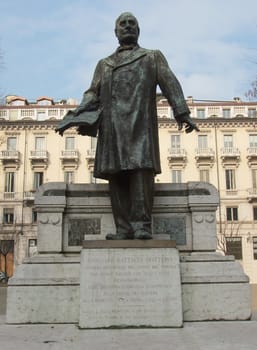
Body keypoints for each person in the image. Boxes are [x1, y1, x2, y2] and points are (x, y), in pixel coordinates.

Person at [64, 12, 199, 240]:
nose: (127, 27)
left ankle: (142, 226)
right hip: (112, 127)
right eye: (122, 24)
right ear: (115, 32)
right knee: (116, 176)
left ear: (138, 30)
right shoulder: (104, 64)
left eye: (132, 23)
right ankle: (123, 228)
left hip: (140, 124)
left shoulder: (151, 57)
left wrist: (182, 113)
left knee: (140, 173)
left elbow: (170, 83)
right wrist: (76, 112)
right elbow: (92, 93)